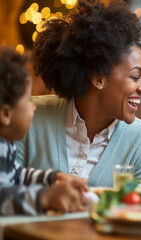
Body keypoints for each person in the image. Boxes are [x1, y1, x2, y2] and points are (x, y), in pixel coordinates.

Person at [15, 0, 141, 187]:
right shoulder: (31, 116)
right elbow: (6, 195)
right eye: (135, 76)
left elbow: (139, 212)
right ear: (98, 78)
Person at [0, 46, 88, 215]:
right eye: (27, 101)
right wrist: (45, 197)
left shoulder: (6, 144)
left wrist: (53, 178)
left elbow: (16, 175)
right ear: (5, 114)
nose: (33, 107)